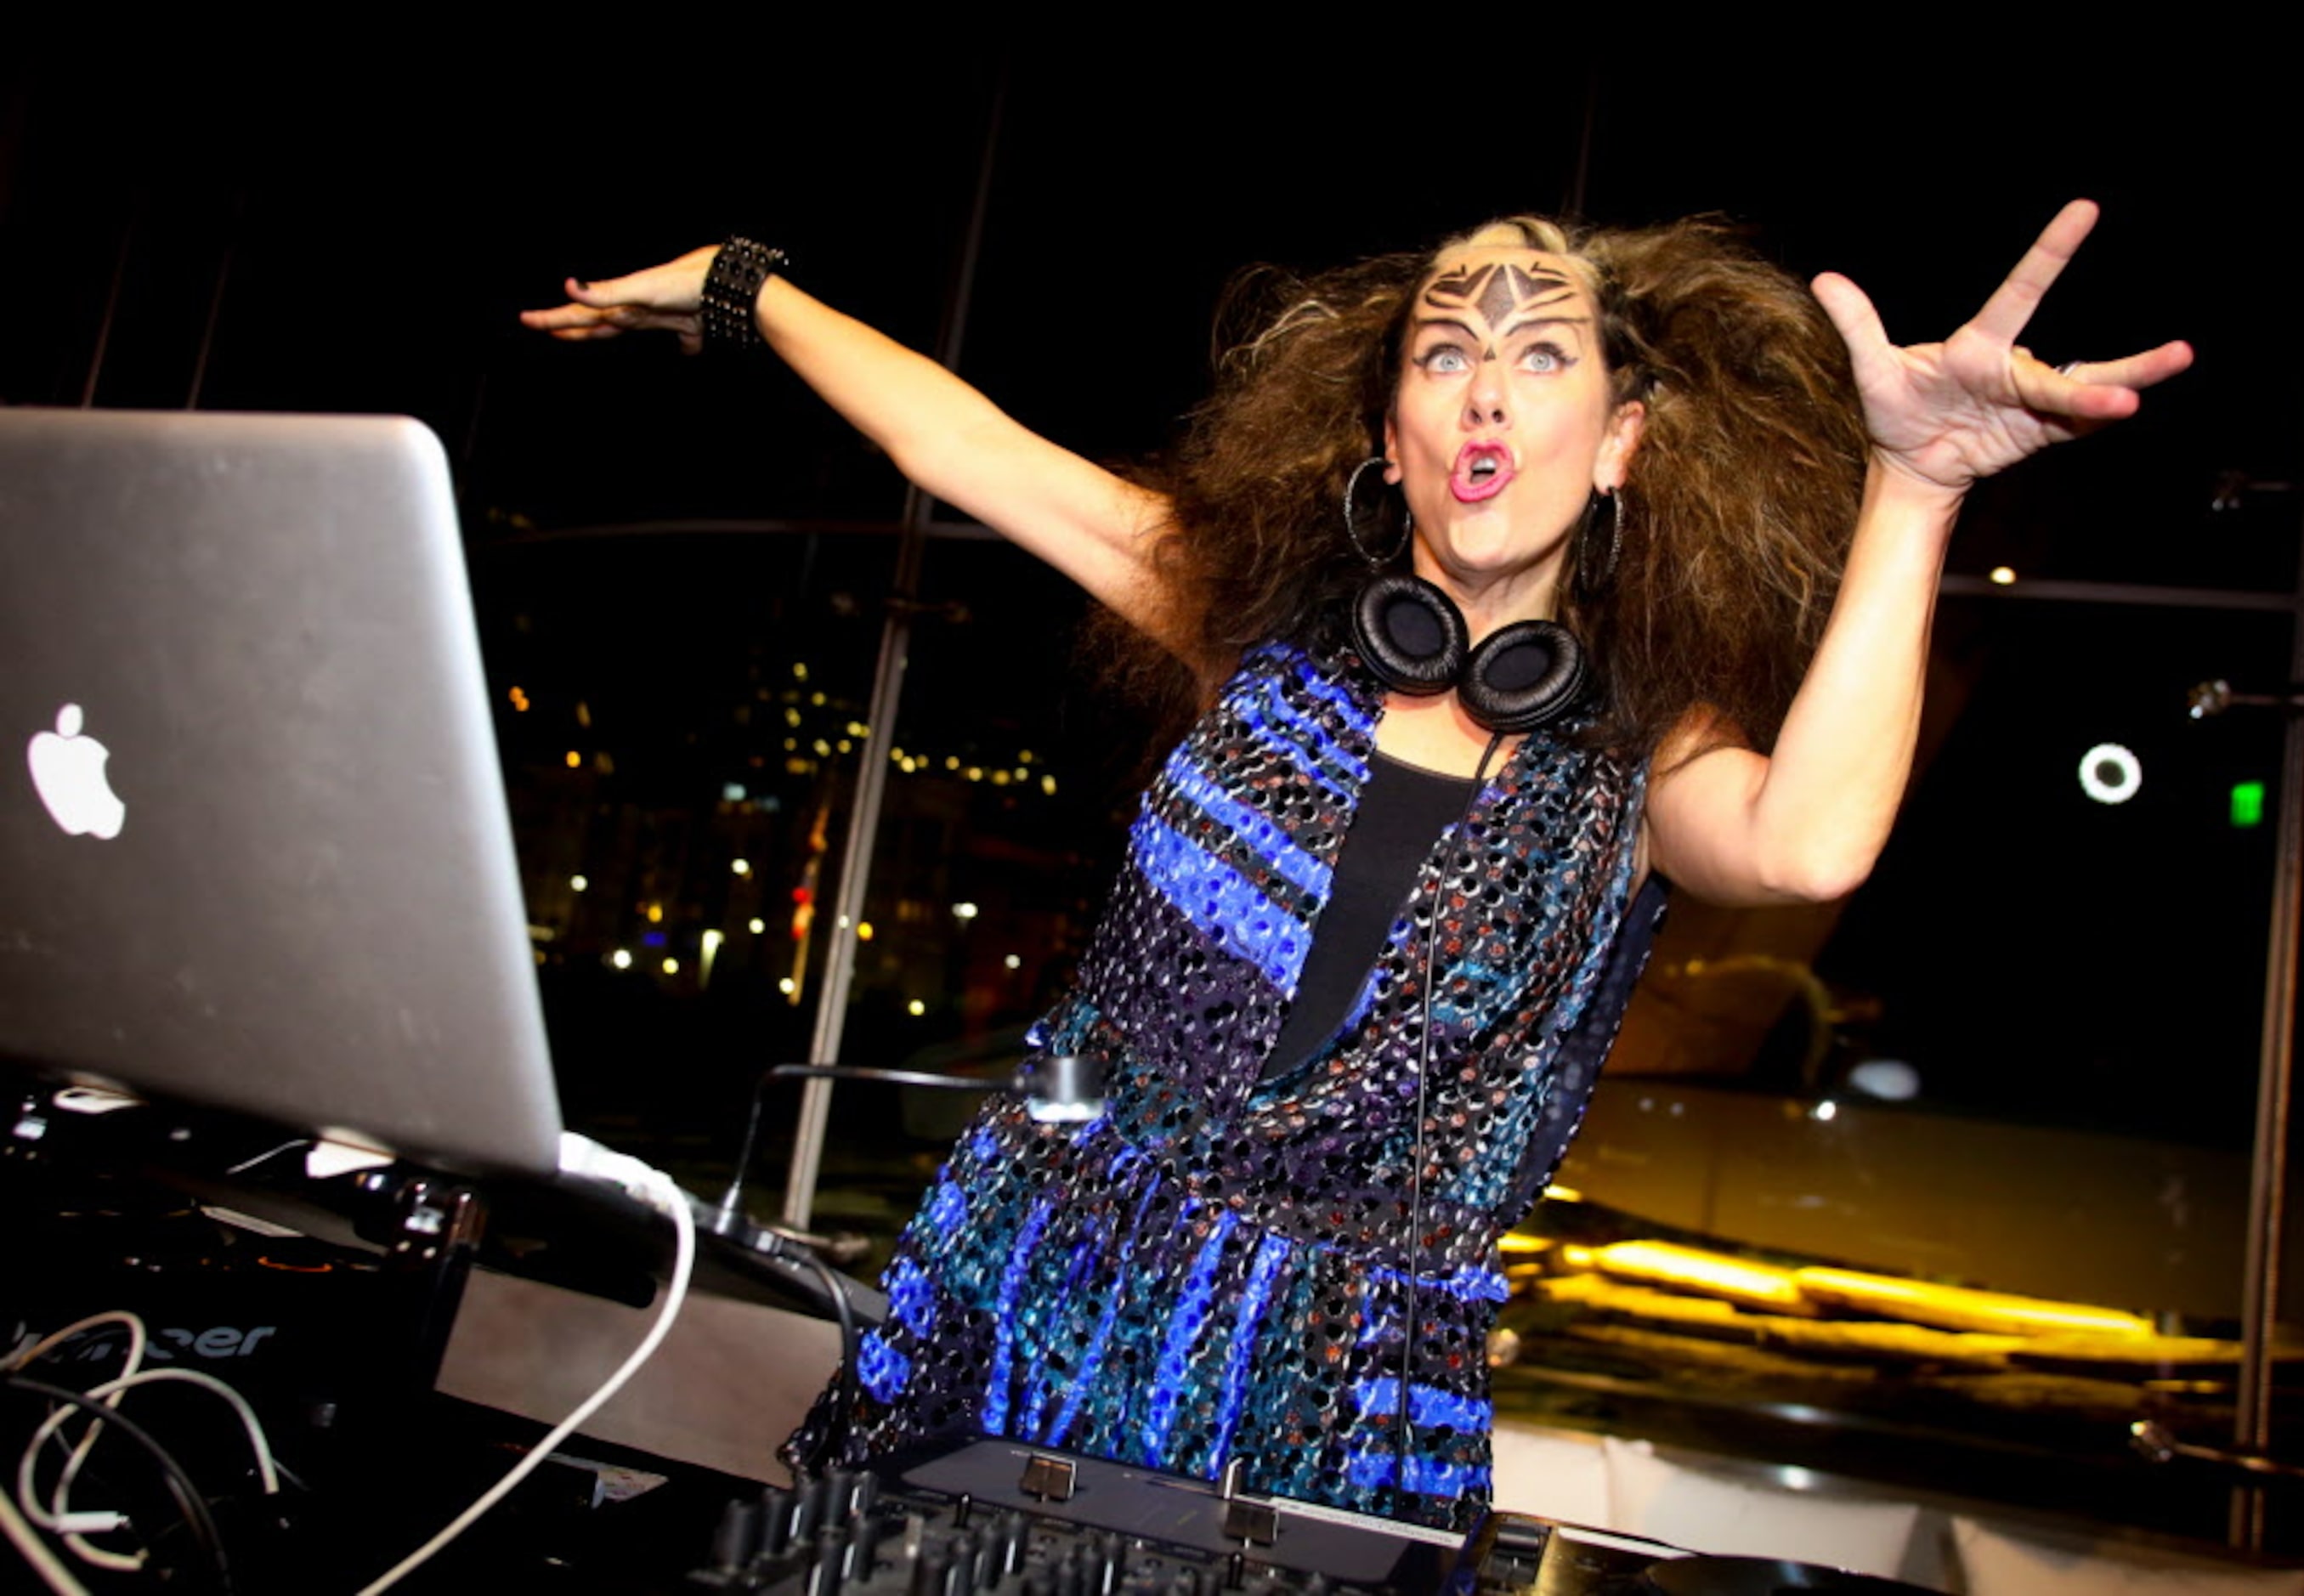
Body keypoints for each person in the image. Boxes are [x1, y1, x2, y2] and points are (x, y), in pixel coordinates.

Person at [524, 203, 2188, 1527]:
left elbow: (1809, 836)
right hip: (1012, 1305)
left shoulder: (1634, 757)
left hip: (1337, 1416)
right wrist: (744, 286)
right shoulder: (1253, 637)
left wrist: (1913, 487)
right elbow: (958, 446)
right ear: (1390, 431)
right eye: (1443, 348)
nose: (1481, 384)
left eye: (1541, 357)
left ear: (1620, 441)